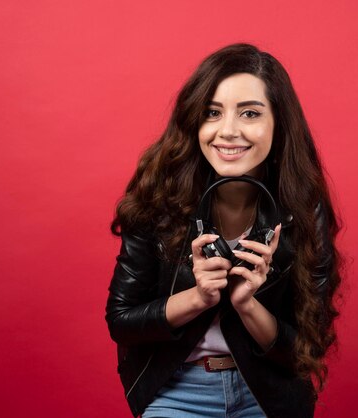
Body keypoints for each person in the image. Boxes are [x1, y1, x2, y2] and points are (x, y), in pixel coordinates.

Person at [105, 43, 343, 418]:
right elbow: (122, 322)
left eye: (250, 113)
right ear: (194, 122)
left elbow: (304, 349)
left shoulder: (301, 209)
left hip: (265, 396)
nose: (228, 131)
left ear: (278, 123)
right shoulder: (159, 195)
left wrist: (247, 304)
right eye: (212, 113)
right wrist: (199, 297)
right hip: (176, 393)